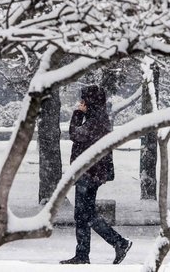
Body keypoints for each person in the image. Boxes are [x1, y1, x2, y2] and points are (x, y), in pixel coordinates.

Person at [60, 85, 132, 265]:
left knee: (85, 214)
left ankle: (118, 243)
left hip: (90, 172)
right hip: (90, 171)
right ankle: (84, 254)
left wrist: (77, 113)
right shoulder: (97, 117)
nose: (81, 102)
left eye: (83, 99)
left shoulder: (97, 120)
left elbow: (75, 134)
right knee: (83, 213)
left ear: (90, 101)